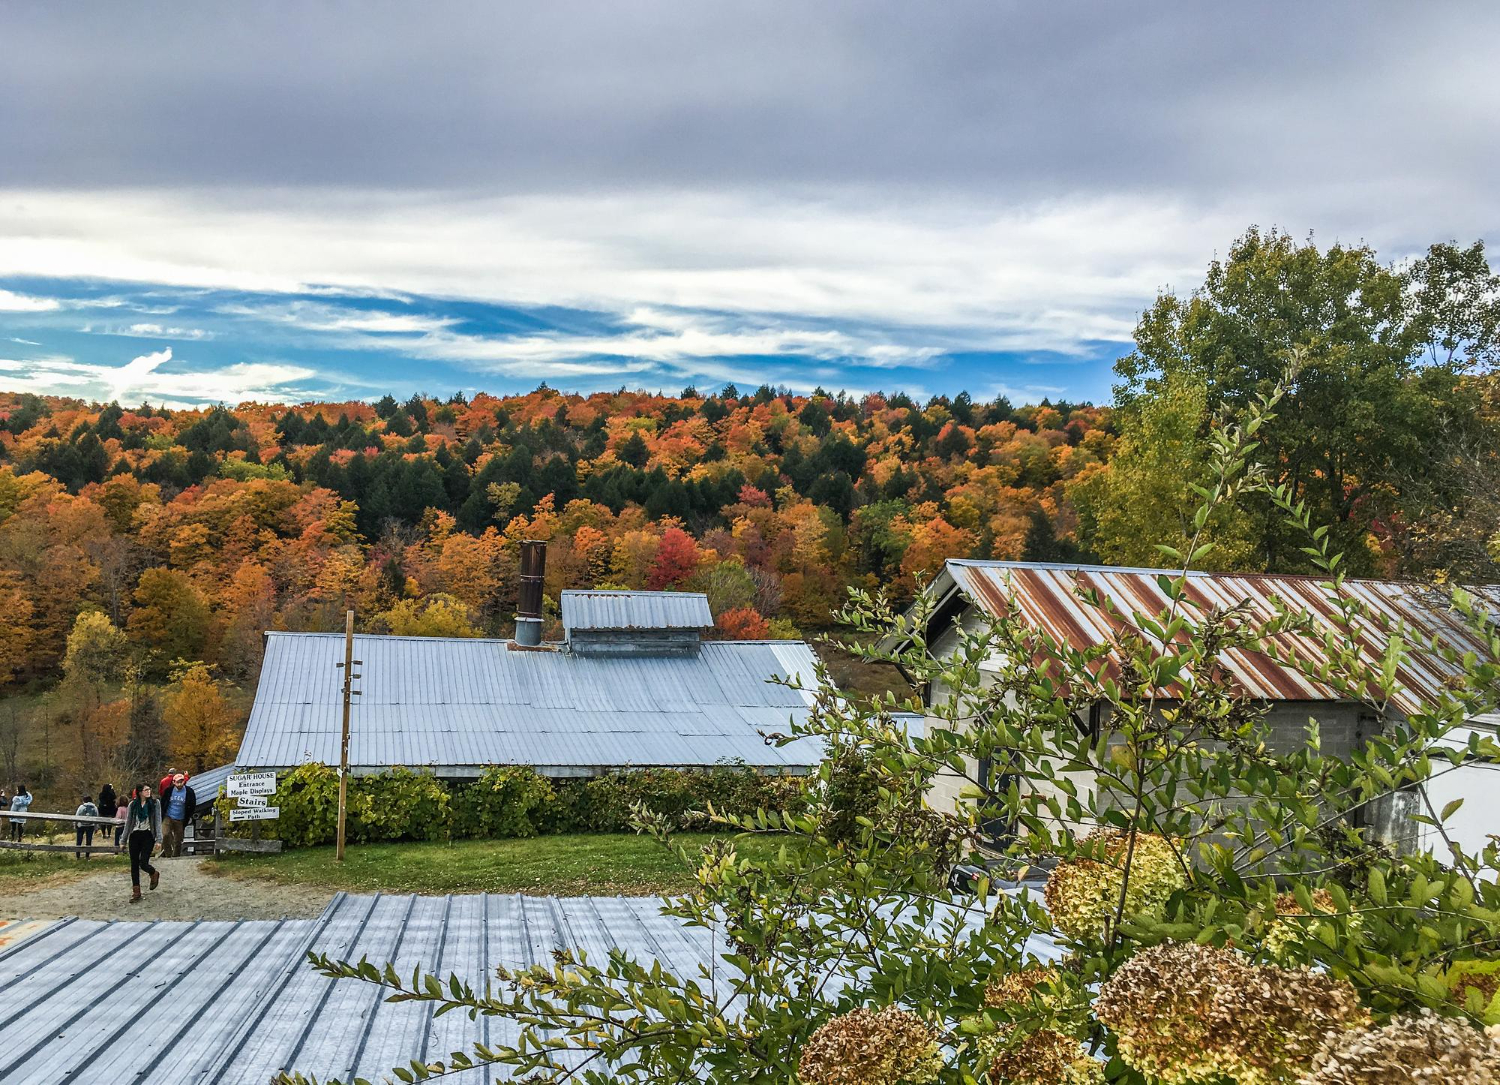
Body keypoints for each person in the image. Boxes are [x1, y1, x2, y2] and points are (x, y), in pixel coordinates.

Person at [121, 783, 161, 902]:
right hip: (135, 834)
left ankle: (153, 873)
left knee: (143, 862)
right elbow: (128, 822)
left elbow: (158, 821)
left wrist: (159, 839)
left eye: (149, 789)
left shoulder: (154, 803)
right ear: (139, 792)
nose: (148, 792)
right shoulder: (133, 805)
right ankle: (136, 892)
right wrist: (123, 840)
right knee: (134, 863)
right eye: (145, 790)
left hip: (148, 834)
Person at [158, 773, 196, 858]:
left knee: (178, 840)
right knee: (165, 834)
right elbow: (163, 802)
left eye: (181, 781)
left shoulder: (189, 792)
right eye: (178, 782)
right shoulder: (168, 791)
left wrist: (188, 815)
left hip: (180, 818)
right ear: (174, 782)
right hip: (168, 816)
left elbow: (192, 805)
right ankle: (168, 854)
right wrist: (162, 814)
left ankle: (176, 857)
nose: (180, 783)